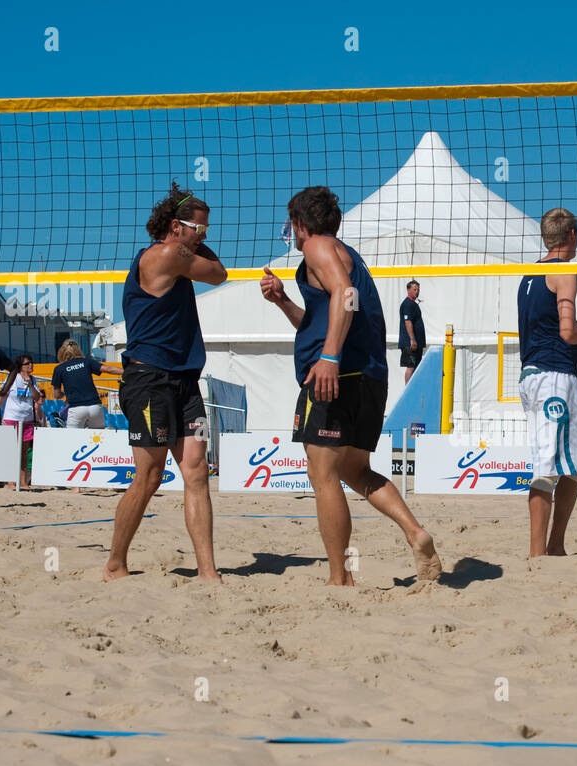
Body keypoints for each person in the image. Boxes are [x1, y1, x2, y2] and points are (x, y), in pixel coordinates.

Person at [259, 185, 440, 582]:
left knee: (321, 474)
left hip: (338, 375)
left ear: (301, 224)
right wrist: (284, 301)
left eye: (292, 225)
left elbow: (345, 294)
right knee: (357, 470)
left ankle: (340, 577)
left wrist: (328, 358)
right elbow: (322, 320)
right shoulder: (346, 255)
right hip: (370, 376)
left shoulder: (319, 247)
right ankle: (416, 533)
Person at [104, 183, 226, 582]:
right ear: (176, 226)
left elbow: (214, 271)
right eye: (200, 229)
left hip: (184, 378)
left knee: (196, 472)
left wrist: (196, 234)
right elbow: (219, 274)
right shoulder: (168, 255)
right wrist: (191, 240)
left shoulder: (178, 253)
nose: (205, 236)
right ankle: (115, 563)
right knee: (150, 475)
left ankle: (208, 570)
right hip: (149, 378)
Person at [509, 207, 577, 558]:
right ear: (572, 235)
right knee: (546, 466)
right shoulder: (564, 272)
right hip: (554, 377)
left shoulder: (529, 275)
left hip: (534, 374)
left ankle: (555, 545)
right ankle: (537, 553)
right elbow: (568, 330)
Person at [0, 354, 44, 489]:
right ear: (21, 366)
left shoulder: (33, 380)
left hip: (27, 419)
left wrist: (30, 385)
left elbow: (36, 397)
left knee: (24, 451)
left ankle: (23, 481)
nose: (31, 365)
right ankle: (10, 481)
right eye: (27, 363)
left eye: (31, 363)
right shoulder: (13, 378)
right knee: (11, 450)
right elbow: (3, 395)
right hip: (12, 417)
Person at [52, 339, 118, 429]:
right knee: (98, 438)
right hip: (95, 406)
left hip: (76, 408)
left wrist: (66, 393)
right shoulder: (86, 361)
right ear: (78, 350)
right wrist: (127, 371)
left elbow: (56, 395)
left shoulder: (59, 369)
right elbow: (108, 369)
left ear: (62, 352)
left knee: (72, 439)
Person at [398, 280, 426, 385]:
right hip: (409, 342)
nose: (417, 291)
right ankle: (408, 391)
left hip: (416, 342)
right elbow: (407, 322)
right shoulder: (407, 304)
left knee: (416, 367)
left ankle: (413, 389)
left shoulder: (413, 304)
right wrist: (412, 339)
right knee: (411, 366)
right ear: (408, 290)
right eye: (414, 289)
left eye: (418, 289)